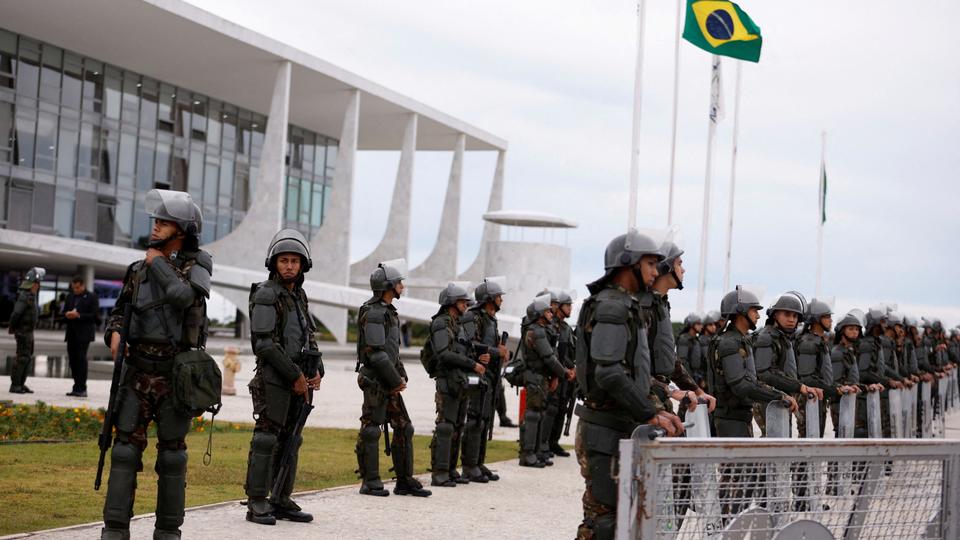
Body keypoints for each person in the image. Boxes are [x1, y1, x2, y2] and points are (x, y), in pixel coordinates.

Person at [100, 189, 212, 540]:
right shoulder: (137, 269)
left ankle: (167, 533)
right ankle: (114, 531)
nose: (156, 226)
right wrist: (114, 333)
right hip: (137, 373)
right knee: (123, 453)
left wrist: (158, 263)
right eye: (156, 221)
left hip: (174, 376)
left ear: (181, 230)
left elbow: (182, 297)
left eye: (164, 222)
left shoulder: (198, 265)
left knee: (173, 458)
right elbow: (118, 312)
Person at [573, 230, 684, 540]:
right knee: (604, 523)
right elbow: (608, 373)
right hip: (604, 431)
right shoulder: (612, 306)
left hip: (616, 426)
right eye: (650, 263)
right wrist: (650, 412)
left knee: (622, 519)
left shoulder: (625, 304)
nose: (655, 271)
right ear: (627, 264)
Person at [243, 229, 324, 525]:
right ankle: (256, 501)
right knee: (266, 439)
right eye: (284, 261)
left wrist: (316, 371)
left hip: (299, 381)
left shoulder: (298, 295)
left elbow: (308, 336)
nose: (289, 266)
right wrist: (294, 375)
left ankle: (280, 497)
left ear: (303, 265)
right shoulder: (266, 294)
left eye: (294, 261)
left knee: (292, 438)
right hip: (274, 381)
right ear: (274, 264)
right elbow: (263, 343)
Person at [707, 286, 795, 519]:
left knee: (743, 481)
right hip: (730, 419)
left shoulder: (740, 341)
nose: (757, 314)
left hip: (739, 418)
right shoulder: (729, 343)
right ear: (740, 312)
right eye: (754, 310)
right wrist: (778, 396)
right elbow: (741, 385)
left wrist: (778, 394)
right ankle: (723, 529)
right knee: (735, 481)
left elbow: (749, 382)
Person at [355, 259, 430, 498]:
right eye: (399, 282)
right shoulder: (375, 312)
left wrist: (400, 373)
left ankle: (404, 481)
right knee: (371, 429)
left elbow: (390, 350)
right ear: (388, 285)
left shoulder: (388, 312)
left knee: (404, 427)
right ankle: (370, 481)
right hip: (376, 381)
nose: (402, 286)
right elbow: (376, 354)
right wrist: (394, 379)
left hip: (388, 380)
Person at [426, 282, 482, 487]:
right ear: (452, 302)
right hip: (446, 380)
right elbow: (443, 353)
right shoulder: (442, 323)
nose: (466, 304)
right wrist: (472, 364)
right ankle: (439, 472)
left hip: (458, 380)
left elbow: (462, 349)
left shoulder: (456, 322)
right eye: (462, 301)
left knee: (457, 426)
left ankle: (450, 469)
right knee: (446, 427)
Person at [460, 276, 511, 482]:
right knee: (474, 420)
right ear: (489, 298)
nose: (501, 299)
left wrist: (501, 353)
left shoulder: (491, 318)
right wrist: (497, 352)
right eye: (498, 296)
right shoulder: (473, 317)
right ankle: (469, 466)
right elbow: (471, 344)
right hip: (477, 375)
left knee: (484, 420)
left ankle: (479, 463)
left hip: (490, 377)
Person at [752, 292, 822, 436]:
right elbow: (764, 374)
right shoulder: (767, 337)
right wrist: (799, 386)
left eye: (795, 316)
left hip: (781, 399)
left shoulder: (782, 338)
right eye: (787, 314)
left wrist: (803, 387)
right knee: (773, 444)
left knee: (782, 442)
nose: (791, 319)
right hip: (768, 400)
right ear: (775, 315)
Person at [520, 293, 574, 468]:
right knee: (533, 415)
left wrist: (557, 375)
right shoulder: (536, 331)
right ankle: (528, 454)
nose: (552, 313)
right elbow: (549, 358)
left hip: (541, 377)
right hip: (535, 377)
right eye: (548, 312)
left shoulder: (542, 330)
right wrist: (565, 373)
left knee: (540, 415)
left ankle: (535, 453)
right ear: (540, 314)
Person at [546, 289, 576, 458]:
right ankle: (545, 444)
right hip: (557, 373)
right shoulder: (552, 325)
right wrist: (565, 370)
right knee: (551, 409)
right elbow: (555, 352)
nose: (570, 308)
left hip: (567, 375)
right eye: (567, 305)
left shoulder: (566, 328)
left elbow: (571, 352)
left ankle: (554, 443)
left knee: (561, 409)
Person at [830, 311, 867, 438]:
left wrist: (864, 387)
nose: (855, 332)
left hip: (849, 400)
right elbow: (835, 380)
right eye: (850, 329)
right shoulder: (837, 353)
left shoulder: (848, 351)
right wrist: (849, 386)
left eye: (857, 329)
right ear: (842, 330)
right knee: (842, 435)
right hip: (840, 402)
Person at [8, 267, 44, 394]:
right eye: (38, 284)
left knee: (27, 358)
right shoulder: (25, 296)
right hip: (23, 332)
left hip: (28, 332)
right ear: (35, 284)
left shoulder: (30, 296)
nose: (38, 287)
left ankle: (21, 384)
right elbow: (16, 314)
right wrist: (12, 328)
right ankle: (15, 385)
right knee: (22, 358)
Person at [63, 275, 100, 397]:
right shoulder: (70, 296)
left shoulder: (92, 297)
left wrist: (78, 315)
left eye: (78, 287)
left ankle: (82, 388)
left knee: (81, 359)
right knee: (72, 361)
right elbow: (65, 311)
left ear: (83, 285)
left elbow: (94, 316)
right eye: (74, 288)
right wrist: (67, 314)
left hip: (84, 334)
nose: (75, 290)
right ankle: (76, 387)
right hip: (71, 334)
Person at [676, 313, 703, 385]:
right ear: (691, 325)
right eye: (698, 324)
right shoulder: (684, 339)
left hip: (696, 376)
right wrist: (689, 379)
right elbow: (683, 361)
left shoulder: (695, 339)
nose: (701, 326)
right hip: (688, 378)